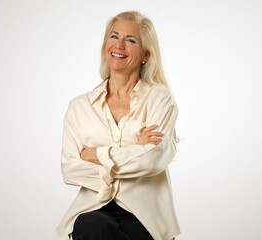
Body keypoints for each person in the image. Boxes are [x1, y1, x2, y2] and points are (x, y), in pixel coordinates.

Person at [56, 11, 180, 240]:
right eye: (114, 37)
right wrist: (134, 150)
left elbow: (152, 160)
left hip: (145, 215)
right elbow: (70, 169)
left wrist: (95, 154)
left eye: (130, 40)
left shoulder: (159, 99)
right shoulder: (79, 107)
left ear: (145, 54)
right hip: (93, 206)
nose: (119, 45)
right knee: (90, 225)